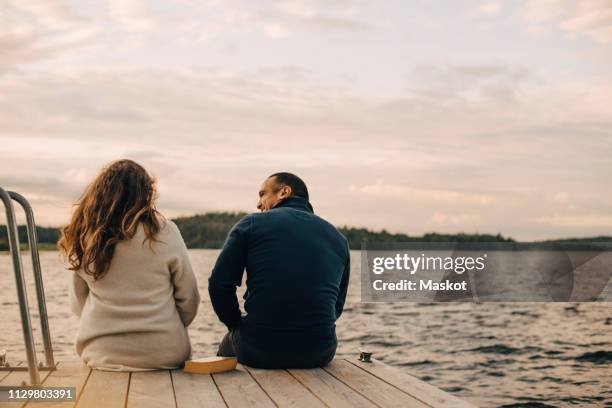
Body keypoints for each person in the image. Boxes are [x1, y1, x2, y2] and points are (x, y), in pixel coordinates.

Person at [59, 159, 200, 371]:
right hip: (164, 353)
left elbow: (78, 304)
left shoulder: (85, 235)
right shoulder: (166, 231)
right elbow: (189, 299)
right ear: (145, 194)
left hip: (101, 352)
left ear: (100, 193)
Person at [208, 172, 350, 368]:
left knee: (227, 347)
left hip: (258, 348)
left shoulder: (251, 224)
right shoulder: (339, 239)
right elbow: (337, 305)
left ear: (284, 192)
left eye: (262, 194)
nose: (258, 204)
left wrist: (236, 326)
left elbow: (219, 285)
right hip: (320, 351)